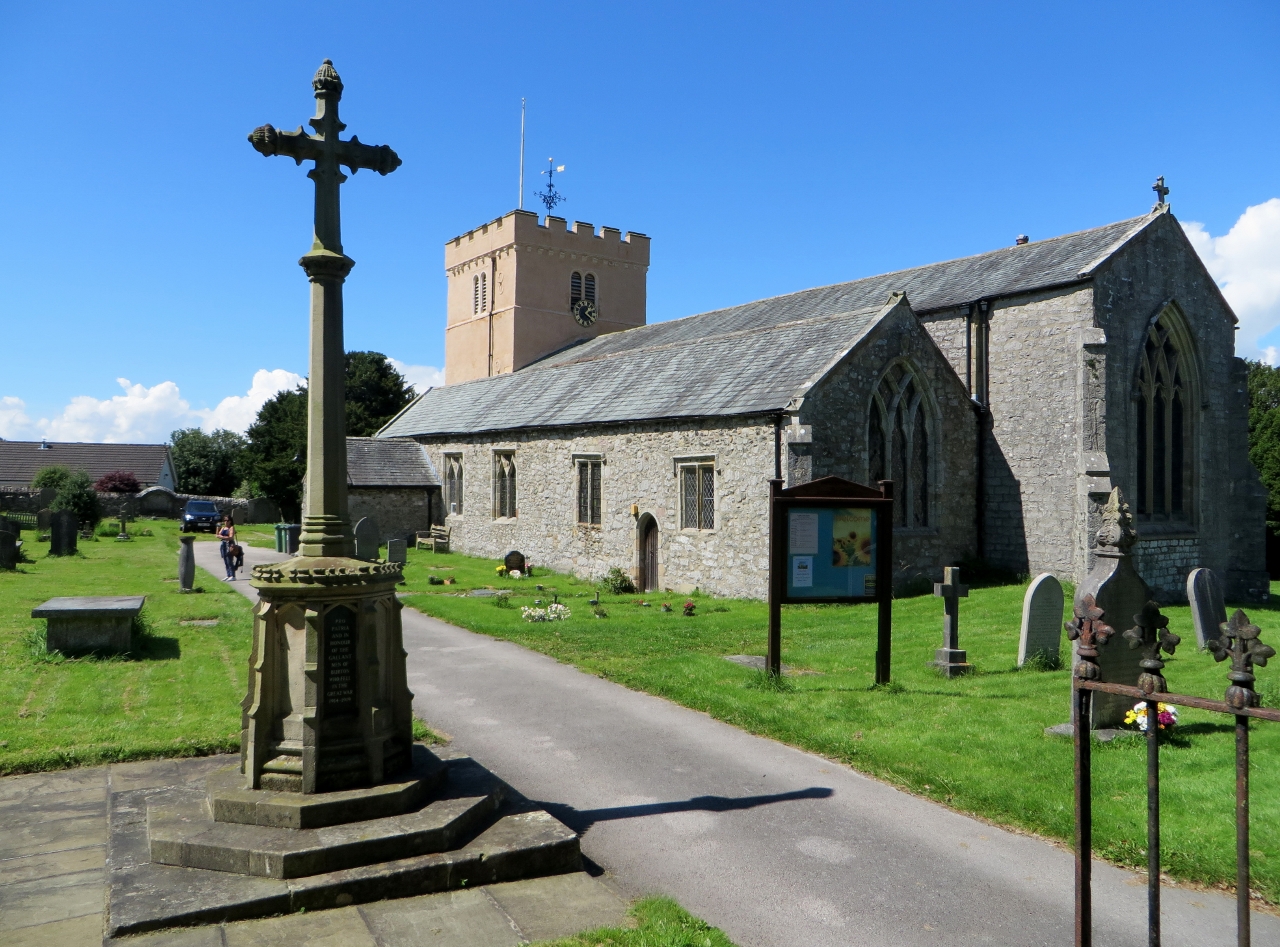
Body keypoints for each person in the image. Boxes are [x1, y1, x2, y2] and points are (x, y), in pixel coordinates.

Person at [217, 515, 237, 580]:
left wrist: (222, 537)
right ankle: (228, 575)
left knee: (229, 560)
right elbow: (217, 535)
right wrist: (217, 528)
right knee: (225, 559)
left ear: (230, 521)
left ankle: (233, 575)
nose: (225, 522)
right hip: (223, 544)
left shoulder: (231, 528)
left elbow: (231, 537)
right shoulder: (223, 528)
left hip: (229, 544)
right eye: (224, 520)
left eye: (227, 520)